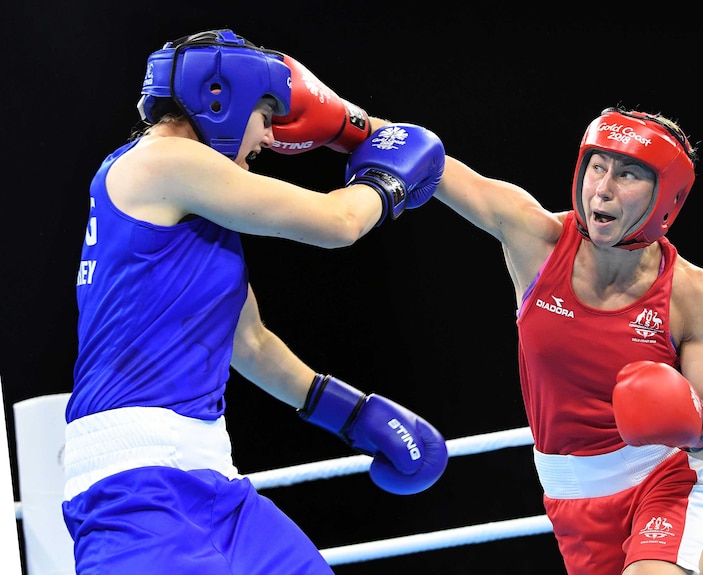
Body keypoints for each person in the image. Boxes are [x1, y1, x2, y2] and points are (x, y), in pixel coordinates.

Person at [63, 29, 448, 575]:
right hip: (134, 485)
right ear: (220, 98)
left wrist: (354, 415)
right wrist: (388, 179)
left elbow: (249, 341)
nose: (268, 137)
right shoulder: (162, 161)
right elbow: (336, 223)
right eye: (265, 116)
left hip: (211, 478)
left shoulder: (197, 209)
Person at [426, 108, 703, 575]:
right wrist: (342, 122)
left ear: (665, 197)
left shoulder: (690, 292)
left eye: (627, 173)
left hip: (666, 480)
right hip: (572, 501)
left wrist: (696, 424)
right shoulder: (538, 240)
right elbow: (427, 161)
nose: (603, 188)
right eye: (597, 166)